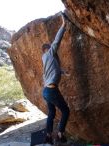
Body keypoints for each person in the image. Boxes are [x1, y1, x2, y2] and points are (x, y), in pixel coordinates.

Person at [42, 13, 70, 144]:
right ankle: (60, 133)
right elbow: (56, 41)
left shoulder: (45, 60)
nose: (54, 52)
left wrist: (63, 72)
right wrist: (63, 25)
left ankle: (48, 135)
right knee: (65, 110)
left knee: (51, 113)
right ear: (47, 50)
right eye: (51, 49)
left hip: (46, 92)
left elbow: (55, 70)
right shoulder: (49, 52)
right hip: (52, 91)